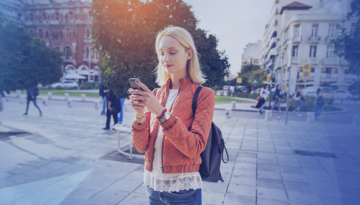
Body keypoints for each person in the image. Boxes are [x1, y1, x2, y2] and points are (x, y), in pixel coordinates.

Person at [129, 26, 215, 205]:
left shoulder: (204, 94)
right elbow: (141, 147)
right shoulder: (156, 94)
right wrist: (139, 116)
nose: (165, 59)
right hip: (153, 187)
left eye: (172, 52)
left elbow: (194, 147)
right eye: (161, 53)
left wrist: (160, 112)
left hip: (183, 192)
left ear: (189, 54)